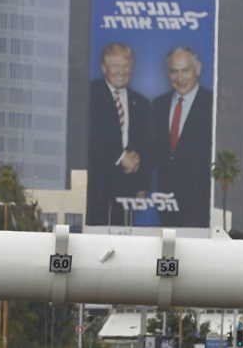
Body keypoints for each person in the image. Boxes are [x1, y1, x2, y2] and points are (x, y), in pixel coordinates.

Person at [87, 43, 152, 226]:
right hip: (96, 187)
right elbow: (94, 135)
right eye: (115, 66)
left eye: (126, 66)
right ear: (104, 68)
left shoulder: (142, 103)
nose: (121, 72)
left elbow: (147, 146)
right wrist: (121, 156)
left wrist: (142, 185)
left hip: (128, 189)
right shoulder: (91, 94)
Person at [152, 46, 213, 227]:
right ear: (167, 73)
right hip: (165, 203)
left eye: (185, 70)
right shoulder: (158, 105)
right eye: (174, 71)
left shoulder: (211, 104)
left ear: (198, 69)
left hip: (200, 207)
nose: (180, 78)